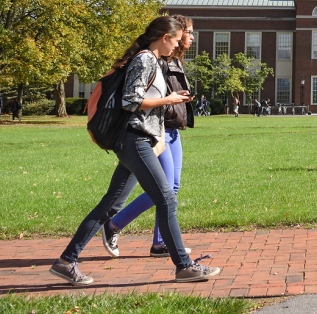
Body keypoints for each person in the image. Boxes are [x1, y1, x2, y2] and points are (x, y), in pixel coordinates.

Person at [50, 16, 220, 286]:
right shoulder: (145, 59)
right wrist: (170, 99)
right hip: (134, 140)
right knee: (166, 199)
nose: (177, 45)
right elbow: (131, 100)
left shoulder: (151, 60)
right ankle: (184, 267)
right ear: (164, 37)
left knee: (112, 204)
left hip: (139, 140)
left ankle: (65, 262)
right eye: (175, 40)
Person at [107, 16, 196, 258]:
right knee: (163, 189)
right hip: (157, 130)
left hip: (173, 129)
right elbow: (139, 97)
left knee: (171, 187)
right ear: (171, 37)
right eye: (187, 33)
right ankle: (114, 223)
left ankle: (159, 243)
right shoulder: (156, 60)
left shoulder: (173, 60)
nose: (189, 38)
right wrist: (171, 100)